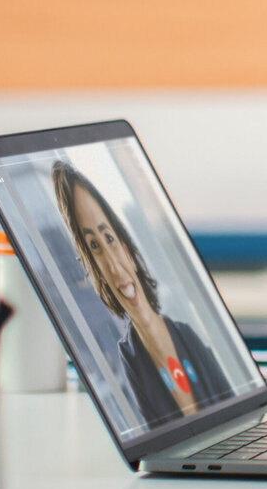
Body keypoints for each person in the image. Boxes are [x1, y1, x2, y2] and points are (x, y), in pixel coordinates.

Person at [52, 161, 229, 430]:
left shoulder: (187, 335)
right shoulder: (131, 359)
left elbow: (233, 410)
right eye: (94, 247)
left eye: (108, 238)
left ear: (128, 250)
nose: (113, 266)